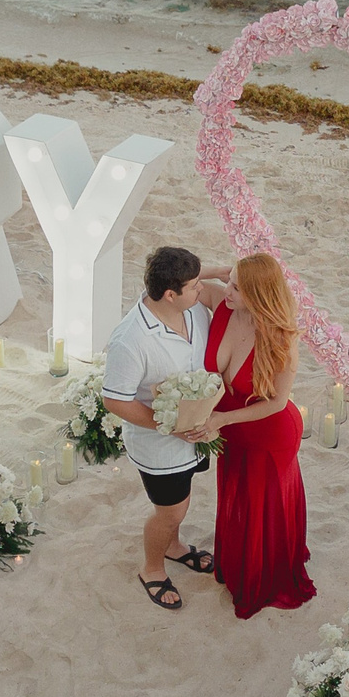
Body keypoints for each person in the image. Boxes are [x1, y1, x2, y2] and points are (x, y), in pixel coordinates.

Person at [98, 246, 228, 610]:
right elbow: (115, 400)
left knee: (181, 502)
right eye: (194, 286)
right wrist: (169, 425)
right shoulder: (131, 339)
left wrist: (222, 269)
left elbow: (199, 278)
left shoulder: (190, 306)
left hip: (193, 436)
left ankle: (173, 547)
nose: (201, 289)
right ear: (170, 293)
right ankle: (152, 568)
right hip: (159, 443)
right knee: (171, 511)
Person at [186, 252, 315, 620]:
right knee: (237, 498)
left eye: (237, 287)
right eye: (229, 280)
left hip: (267, 434)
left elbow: (276, 403)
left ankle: (263, 575)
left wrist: (222, 420)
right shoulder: (222, 302)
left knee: (262, 505)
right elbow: (181, 278)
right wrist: (219, 271)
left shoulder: (281, 340)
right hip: (228, 428)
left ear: (258, 296)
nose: (227, 290)